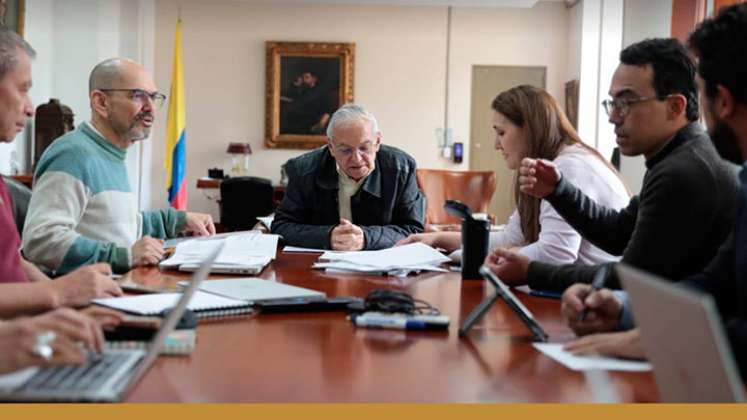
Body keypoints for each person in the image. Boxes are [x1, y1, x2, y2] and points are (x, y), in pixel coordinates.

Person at [560, 4, 747, 377]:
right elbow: (716, 283)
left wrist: (666, 337)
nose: (614, 115)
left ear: (722, 100)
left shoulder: (688, 170)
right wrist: (623, 308)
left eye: (702, 94)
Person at [485, 38, 738, 292]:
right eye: (612, 103)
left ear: (674, 107)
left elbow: (629, 278)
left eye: (626, 103)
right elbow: (618, 233)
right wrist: (558, 190)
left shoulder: (682, 172)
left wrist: (531, 271)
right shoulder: (679, 157)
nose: (613, 117)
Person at [398, 85, 630, 268]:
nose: (496, 144)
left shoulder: (569, 167)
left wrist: (467, 256)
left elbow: (556, 255)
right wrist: (435, 240)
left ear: (529, 129)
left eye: (502, 132)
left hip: (598, 297)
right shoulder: (548, 166)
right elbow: (512, 238)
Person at [22, 58, 216, 275]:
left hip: (115, 289)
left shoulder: (111, 154)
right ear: (101, 102)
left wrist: (178, 220)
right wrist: (124, 256)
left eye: (153, 97)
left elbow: (120, 227)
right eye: (137, 95)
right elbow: (41, 240)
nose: (151, 107)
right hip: (84, 299)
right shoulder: (74, 155)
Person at [0, 27, 122, 313]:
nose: (30, 109)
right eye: (22, 89)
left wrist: (66, 307)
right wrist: (56, 293)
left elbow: (13, 263)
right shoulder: (72, 153)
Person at [272, 103, 425, 250]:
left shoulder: (401, 168)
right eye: (346, 150)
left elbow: (413, 229)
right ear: (331, 147)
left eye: (364, 148)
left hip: (383, 267)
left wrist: (366, 238)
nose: (357, 159)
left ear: (377, 141)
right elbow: (282, 226)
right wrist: (327, 236)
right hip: (318, 264)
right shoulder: (303, 169)